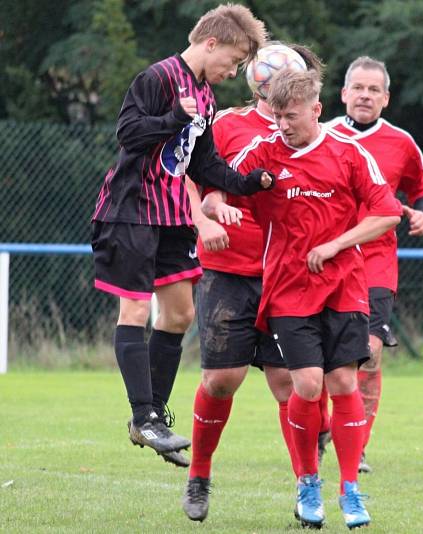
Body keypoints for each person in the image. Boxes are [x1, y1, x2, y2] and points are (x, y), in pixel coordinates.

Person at [90, 3, 272, 467]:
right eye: (232, 61)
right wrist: (173, 117)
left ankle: (150, 417)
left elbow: (202, 162)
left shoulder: (206, 96)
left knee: (179, 314)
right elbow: (129, 134)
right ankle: (144, 416)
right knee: (134, 308)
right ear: (210, 43)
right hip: (129, 211)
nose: (233, 72)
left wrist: (246, 183)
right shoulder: (157, 79)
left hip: (172, 217)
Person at [236, 69, 402, 529]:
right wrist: (215, 209)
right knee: (308, 386)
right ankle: (307, 480)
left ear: (316, 110)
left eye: (290, 116)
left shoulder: (349, 154)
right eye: (276, 116)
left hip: (345, 284)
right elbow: (222, 189)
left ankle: (350, 489)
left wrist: (335, 245)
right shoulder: (264, 152)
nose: (282, 125)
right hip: (289, 289)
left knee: (345, 383)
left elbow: (387, 213)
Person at [180, 42, 328, 522]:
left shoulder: (312, 132)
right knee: (223, 379)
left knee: (292, 383)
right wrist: (207, 216)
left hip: (287, 275)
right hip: (229, 268)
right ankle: (199, 474)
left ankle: (307, 488)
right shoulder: (226, 124)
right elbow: (184, 172)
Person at [326, 56, 423, 473]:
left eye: (374, 90)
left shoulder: (401, 142)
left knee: (368, 354)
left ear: (386, 98)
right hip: (328, 259)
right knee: (324, 358)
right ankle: (324, 431)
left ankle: (358, 443)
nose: (365, 95)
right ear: (343, 94)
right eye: (358, 87)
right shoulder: (323, 136)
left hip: (375, 261)